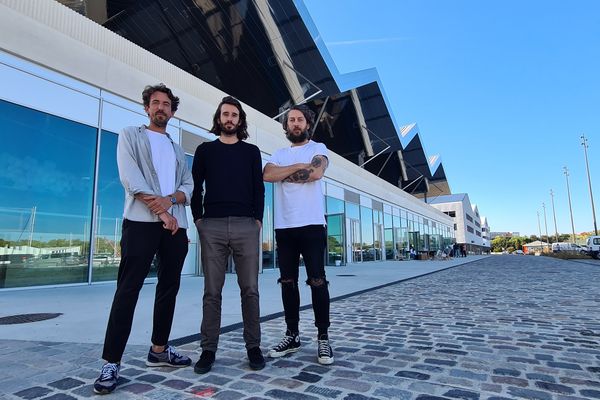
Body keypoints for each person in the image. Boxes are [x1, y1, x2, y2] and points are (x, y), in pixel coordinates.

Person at [94, 84, 193, 395]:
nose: (161, 108)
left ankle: (159, 350)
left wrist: (172, 200)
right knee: (128, 289)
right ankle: (111, 362)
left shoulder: (177, 149)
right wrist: (163, 211)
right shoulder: (129, 135)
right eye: (155, 103)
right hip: (141, 223)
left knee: (169, 288)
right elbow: (130, 178)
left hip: (177, 228)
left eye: (166, 104)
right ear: (147, 108)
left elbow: (188, 185)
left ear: (173, 112)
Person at [191, 96, 265, 374]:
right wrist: (198, 219)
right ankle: (208, 350)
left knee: (250, 290)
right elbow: (195, 186)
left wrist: (257, 221)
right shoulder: (205, 150)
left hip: (247, 225)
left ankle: (253, 347)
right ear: (218, 118)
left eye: (234, 115)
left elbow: (259, 189)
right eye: (225, 114)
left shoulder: (251, 151)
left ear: (240, 120)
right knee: (212, 291)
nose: (229, 119)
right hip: (213, 225)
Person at [263, 104, 333, 365]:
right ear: (286, 125)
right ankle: (292, 335)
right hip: (285, 227)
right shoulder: (279, 153)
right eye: (291, 120)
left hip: (312, 225)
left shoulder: (318, 148)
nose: (295, 123)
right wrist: (297, 168)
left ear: (307, 124)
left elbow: (315, 173)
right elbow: (268, 175)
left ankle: (323, 337)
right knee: (288, 282)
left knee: (318, 281)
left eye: (299, 120)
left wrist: (287, 172)